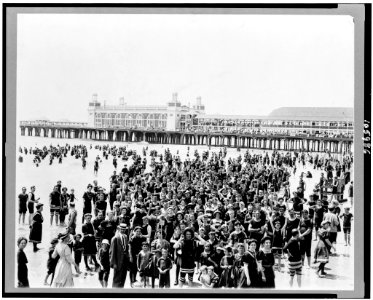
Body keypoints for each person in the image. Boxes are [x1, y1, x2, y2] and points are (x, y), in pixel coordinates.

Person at [110, 223, 130, 288]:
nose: (123, 231)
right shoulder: (115, 238)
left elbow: (126, 248)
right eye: (121, 229)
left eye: (124, 229)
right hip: (118, 261)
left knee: (123, 276)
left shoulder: (126, 236)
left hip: (124, 260)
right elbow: (112, 252)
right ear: (119, 229)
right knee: (116, 277)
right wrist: (114, 263)